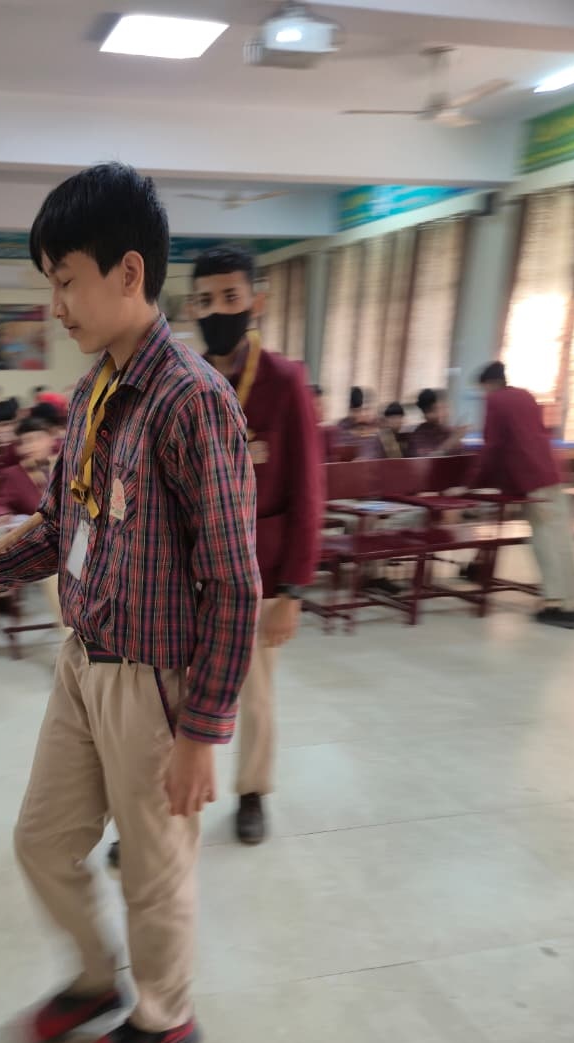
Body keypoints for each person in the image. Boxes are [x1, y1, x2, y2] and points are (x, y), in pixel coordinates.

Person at [0, 162, 259, 1043]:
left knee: (153, 866)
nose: (55, 305)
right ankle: (98, 977)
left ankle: (165, 1015)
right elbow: (61, 525)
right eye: (50, 283)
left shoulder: (193, 401)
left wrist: (202, 732)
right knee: (42, 839)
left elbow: (235, 584)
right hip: (83, 659)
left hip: (154, 682)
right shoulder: (98, 389)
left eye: (65, 281)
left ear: (128, 273)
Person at [190, 244, 322, 845]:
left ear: (256, 302)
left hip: (259, 573)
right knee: (168, 695)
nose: (217, 310)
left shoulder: (284, 381)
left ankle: (251, 792)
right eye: (205, 300)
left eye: (230, 297)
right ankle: (160, 801)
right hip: (189, 570)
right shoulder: (185, 378)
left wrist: (293, 590)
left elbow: (308, 490)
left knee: (256, 692)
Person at [476, 362, 574, 628]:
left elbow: (493, 446)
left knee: (544, 540)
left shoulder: (496, 400)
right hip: (553, 472)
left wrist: (472, 483)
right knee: (562, 540)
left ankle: (556, 604)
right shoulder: (525, 396)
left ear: (489, 384)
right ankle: (571, 602)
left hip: (532, 478)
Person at [406, 389, 464, 458]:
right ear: (426, 414)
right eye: (439, 409)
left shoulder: (450, 431)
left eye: (446, 407)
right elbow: (427, 461)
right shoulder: (418, 437)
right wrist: (451, 442)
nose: (445, 413)